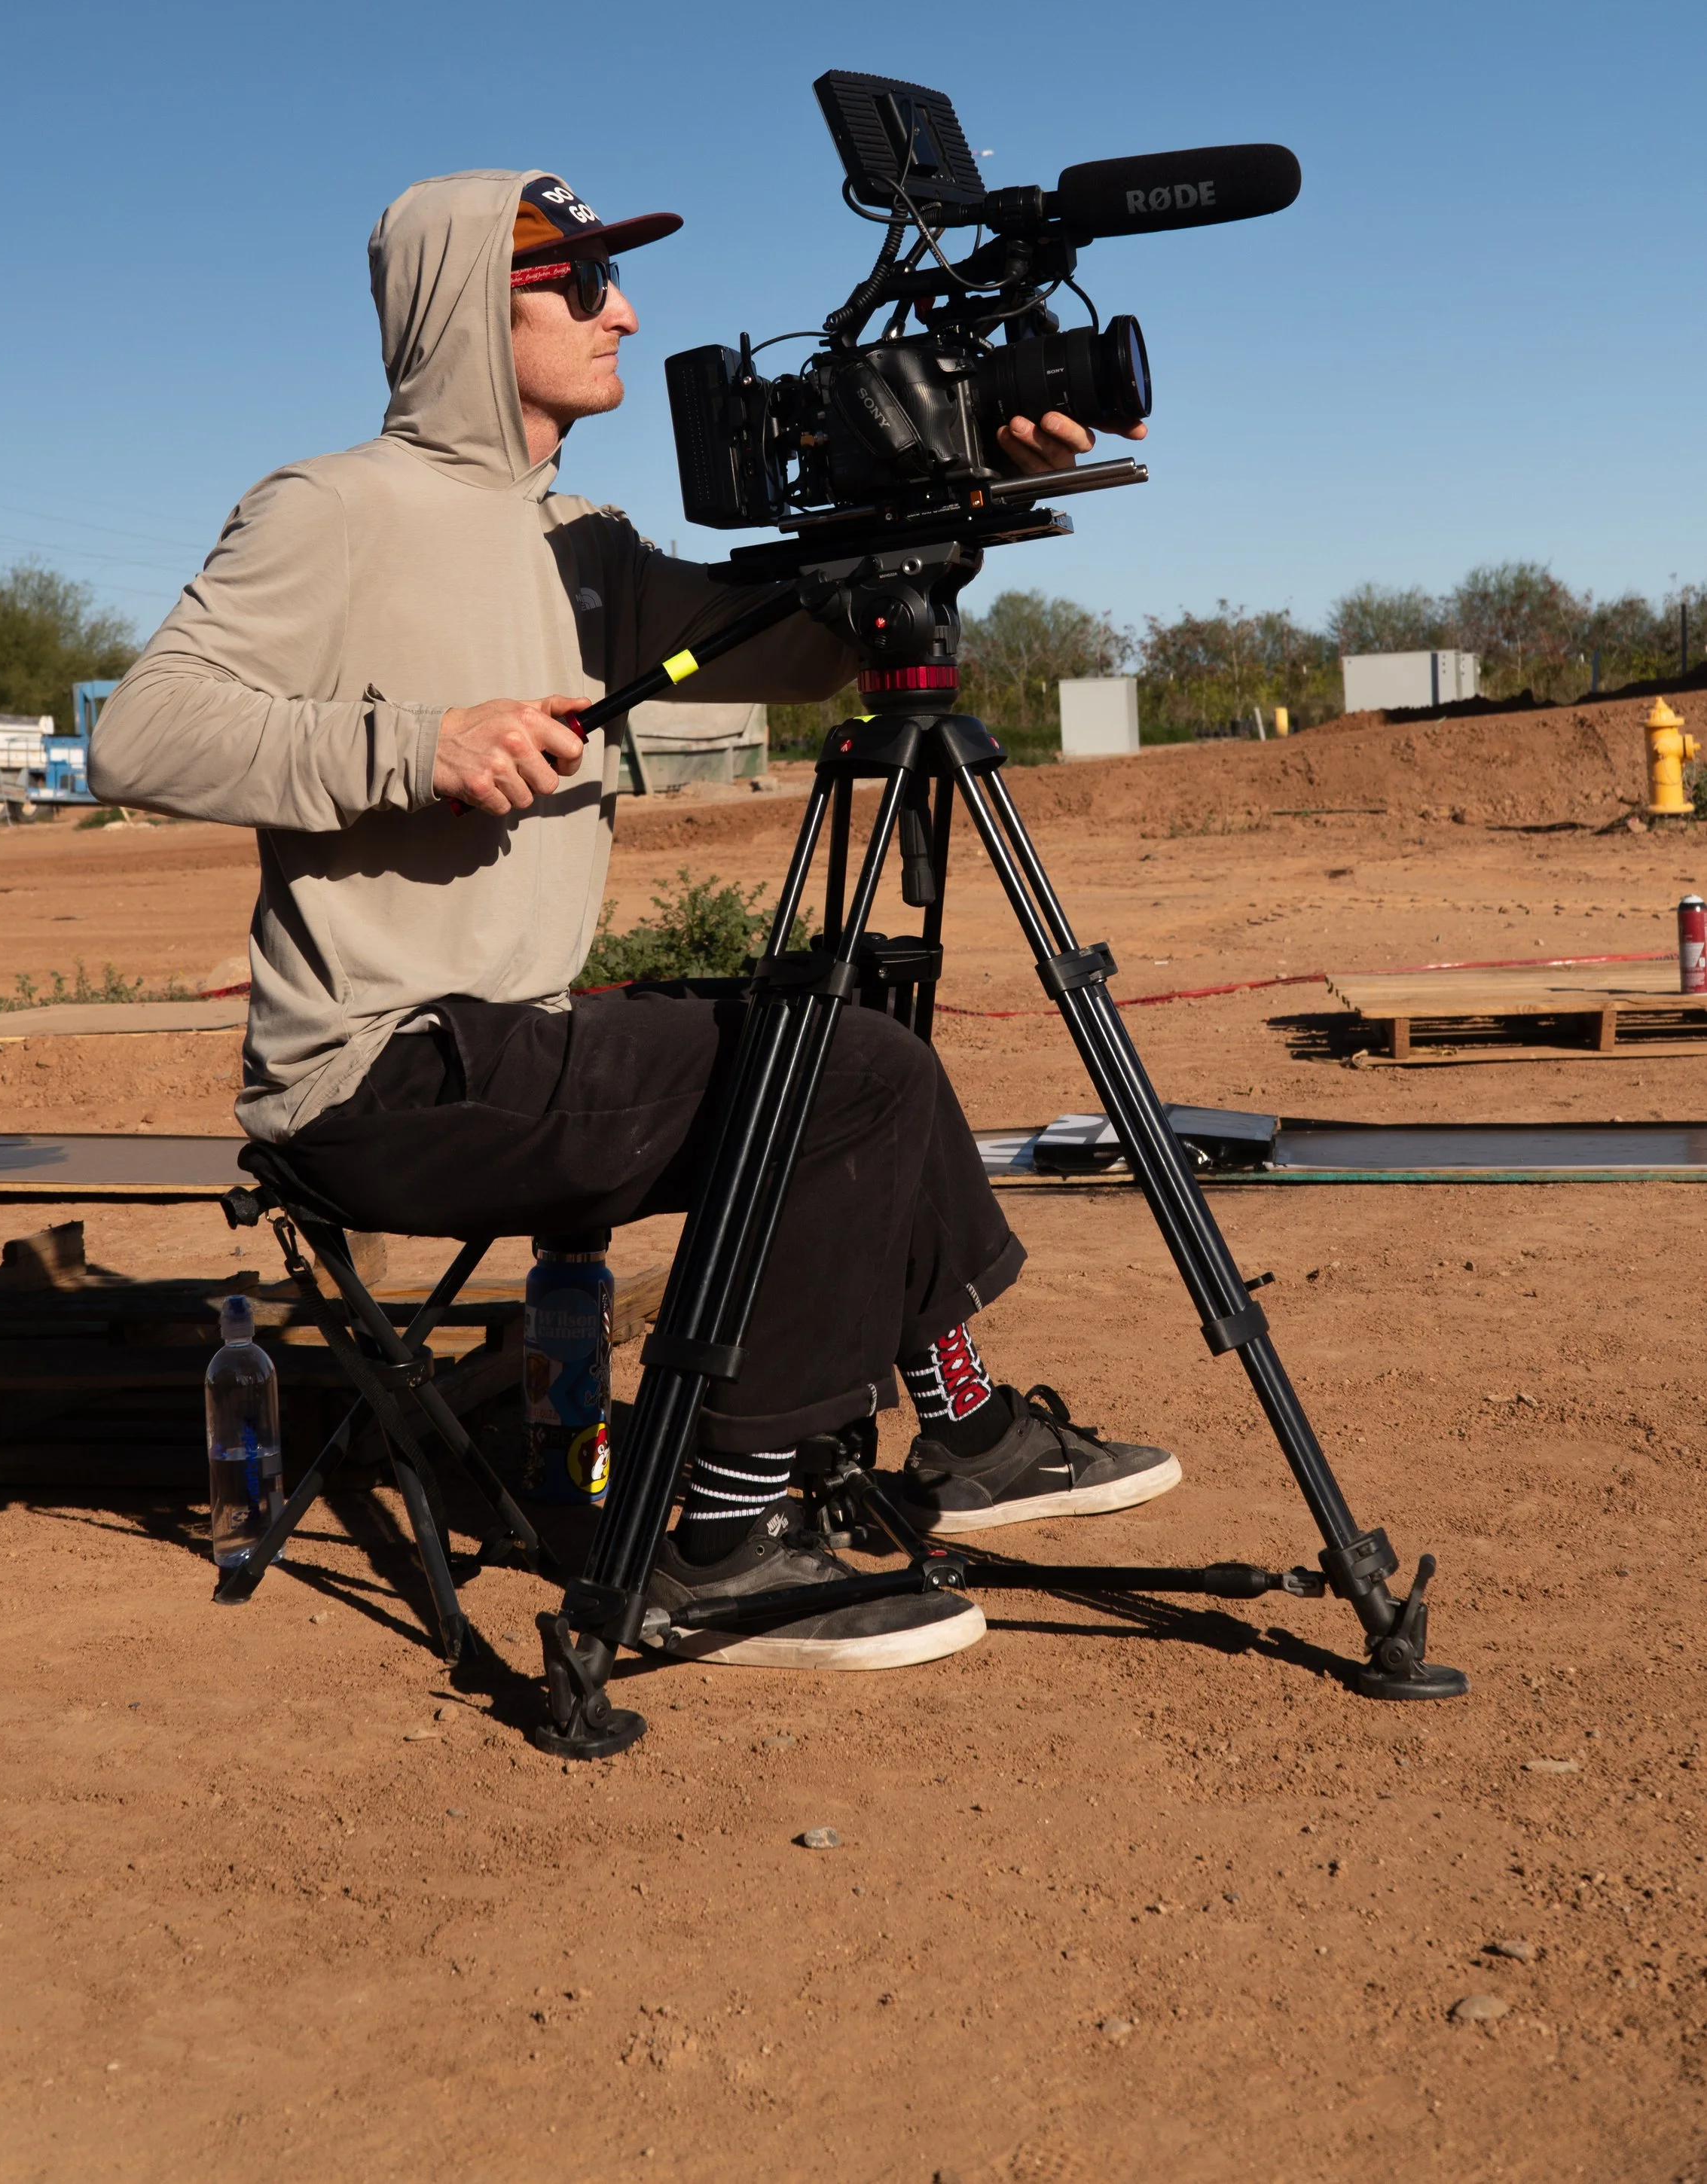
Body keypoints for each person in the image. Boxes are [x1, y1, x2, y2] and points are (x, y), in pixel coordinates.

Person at [89, 166, 1178, 1671]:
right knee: (840, 1074)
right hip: (382, 1078)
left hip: (514, 1051)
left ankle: (964, 1429)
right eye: (585, 283)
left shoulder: (583, 541)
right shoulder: (333, 508)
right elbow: (139, 736)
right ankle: (724, 1546)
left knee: (851, 1035)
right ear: (477, 310)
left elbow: (802, 658)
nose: (627, 311)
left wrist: (954, 492)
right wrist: (415, 746)